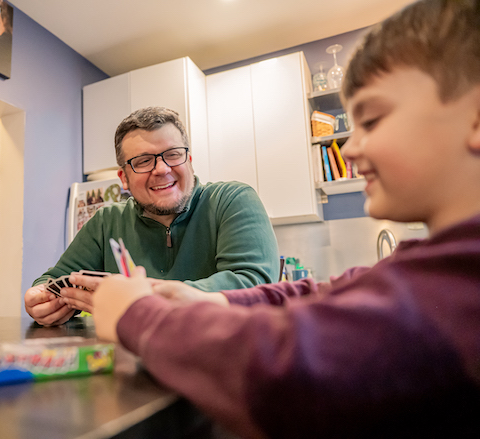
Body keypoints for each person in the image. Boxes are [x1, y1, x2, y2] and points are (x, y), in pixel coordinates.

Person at [91, 1, 480, 437]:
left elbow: (289, 372)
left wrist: (137, 315)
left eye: (371, 119)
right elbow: (326, 290)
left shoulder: (464, 280)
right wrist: (214, 301)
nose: (350, 149)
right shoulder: (434, 261)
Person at [25, 106, 280, 326]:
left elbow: (252, 285)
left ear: (189, 160)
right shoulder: (106, 222)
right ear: (124, 178)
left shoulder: (233, 200)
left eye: (172, 155)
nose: (162, 169)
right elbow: (54, 280)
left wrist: (143, 299)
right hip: (131, 365)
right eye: (144, 161)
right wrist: (42, 300)